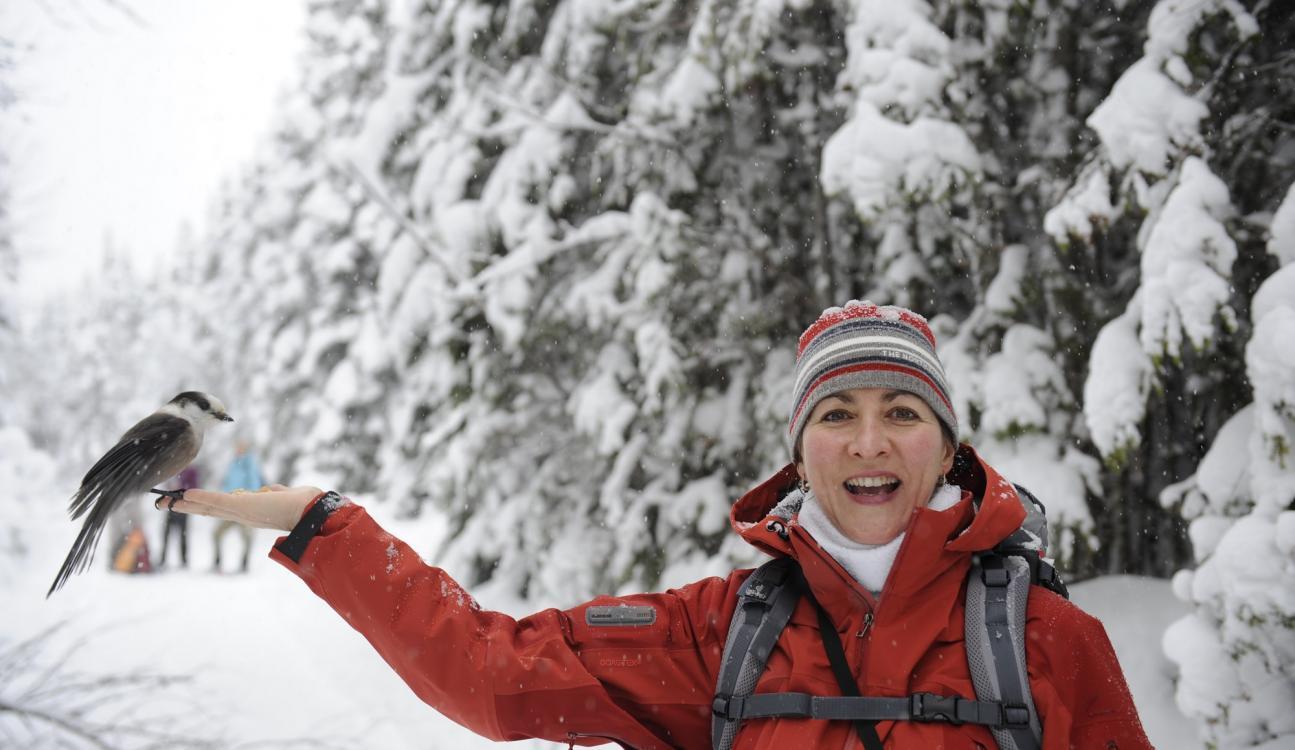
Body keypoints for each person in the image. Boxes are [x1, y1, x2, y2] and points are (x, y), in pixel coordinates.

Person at [164, 301, 1151, 749]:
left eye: (901, 414)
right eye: (836, 416)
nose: (868, 445)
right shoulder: (719, 633)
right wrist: (323, 526)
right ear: (797, 454)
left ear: (945, 451)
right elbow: (493, 675)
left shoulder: (1047, 643)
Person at [212, 440, 262, 574]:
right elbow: (227, 483)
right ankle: (217, 562)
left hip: (244, 508)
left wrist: (249, 501)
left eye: (241, 447)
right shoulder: (233, 464)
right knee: (217, 534)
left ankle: (244, 564)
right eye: (237, 447)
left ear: (245, 449)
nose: (238, 450)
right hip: (229, 507)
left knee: (248, 538)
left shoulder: (249, 464)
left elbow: (254, 484)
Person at [157, 465, 199, 568]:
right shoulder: (174, 469)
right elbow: (166, 485)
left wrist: (180, 488)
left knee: (183, 535)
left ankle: (184, 560)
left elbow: (194, 487)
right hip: (170, 506)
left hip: (184, 507)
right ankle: (162, 559)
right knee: (166, 533)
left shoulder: (191, 471)